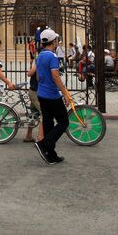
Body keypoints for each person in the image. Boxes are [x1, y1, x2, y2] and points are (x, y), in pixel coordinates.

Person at [34, 29, 70, 164]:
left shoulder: (40, 56)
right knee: (63, 122)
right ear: (53, 41)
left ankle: (51, 154)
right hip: (52, 95)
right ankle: (44, 144)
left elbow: (38, 76)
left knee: (48, 123)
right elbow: (55, 76)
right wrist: (65, 93)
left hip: (41, 94)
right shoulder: (52, 56)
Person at [23, 60, 43, 143]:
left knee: (33, 114)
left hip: (37, 91)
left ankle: (29, 136)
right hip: (35, 92)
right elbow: (29, 74)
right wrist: (36, 66)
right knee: (44, 113)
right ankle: (40, 138)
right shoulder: (38, 62)